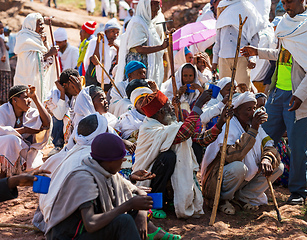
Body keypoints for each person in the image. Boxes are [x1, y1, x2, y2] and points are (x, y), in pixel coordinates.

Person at [240, 0, 307, 205]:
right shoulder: (284, 24)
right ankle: (248, 186)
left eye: (290, 1)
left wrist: (299, 95)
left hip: (299, 97)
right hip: (277, 94)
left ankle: (298, 191)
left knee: (298, 147)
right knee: (262, 138)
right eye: (283, 1)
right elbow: (281, 55)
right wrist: (258, 51)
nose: (286, 5)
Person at [45, 132, 181, 240]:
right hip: (70, 236)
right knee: (124, 220)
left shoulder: (105, 172)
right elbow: (91, 224)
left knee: (131, 209)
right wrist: (128, 206)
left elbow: (138, 192)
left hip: (87, 232)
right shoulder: (84, 179)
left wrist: (141, 216)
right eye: (120, 159)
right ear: (109, 161)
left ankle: (152, 232)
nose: (123, 162)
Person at [133, 90, 233, 218]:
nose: (172, 108)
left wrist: (220, 123)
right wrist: (199, 104)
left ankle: (174, 197)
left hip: (167, 177)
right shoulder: (149, 129)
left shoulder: (170, 126)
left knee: (195, 147)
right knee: (167, 157)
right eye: (169, 105)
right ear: (162, 112)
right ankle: (156, 204)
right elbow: (183, 134)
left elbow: (199, 139)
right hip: (148, 179)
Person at [202, 91, 283, 214]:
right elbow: (230, 156)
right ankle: (222, 200)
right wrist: (252, 131)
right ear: (236, 111)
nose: (252, 113)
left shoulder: (254, 126)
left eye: (254, 108)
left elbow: (269, 145)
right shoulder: (228, 126)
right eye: (248, 109)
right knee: (239, 168)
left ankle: (243, 198)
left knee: (277, 167)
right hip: (218, 179)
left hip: (243, 180)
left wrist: (267, 158)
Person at [211, 0, 265, 91]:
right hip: (223, 58)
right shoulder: (222, 7)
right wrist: (214, 61)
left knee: (243, 91)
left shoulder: (246, 7)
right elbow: (218, 39)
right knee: (224, 92)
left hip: (242, 56)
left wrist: (252, 58)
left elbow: (254, 36)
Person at [116, 0, 168, 88]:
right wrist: (161, 47)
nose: (155, 14)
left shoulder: (148, 24)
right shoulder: (138, 23)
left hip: (144, 64)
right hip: (137, 66)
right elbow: (139, 48)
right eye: (153, 11)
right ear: (145, 8)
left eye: (156, 11)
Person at [0, 85, 51, 176]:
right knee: (11, 139)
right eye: (26, 97)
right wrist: (24, 130)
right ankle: (6, 172)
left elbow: (46, 123)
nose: (29, 100)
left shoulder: (30, 112)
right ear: (14, 100)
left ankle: (16, 171)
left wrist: (35, 98)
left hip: (25, 151)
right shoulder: (2, 110)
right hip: (3, 149)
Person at [14, 13, 58, 102]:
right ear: (32, 25)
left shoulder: (38, 40)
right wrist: (49, 53)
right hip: (27, 81)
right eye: (40, 24)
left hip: (39, 82)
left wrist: (45, 43)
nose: (42, 27)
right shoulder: (25, 40)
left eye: (42, 24)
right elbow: (31, 63)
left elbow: (46, 64)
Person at [44, 69, 82, 155]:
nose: (76, 88)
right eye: (73, 85)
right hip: (59, 119)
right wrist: (62, 93)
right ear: (65, 85)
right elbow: (59, 116)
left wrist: (80, 91)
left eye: (78, 84)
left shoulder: (79, 93)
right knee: (59, 117)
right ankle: (58, 145)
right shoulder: (54, 95)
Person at [84, 18, 120, 91]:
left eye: (117, 32)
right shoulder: (95, 41)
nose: (115, 34)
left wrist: (118, 48)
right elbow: (95, 61)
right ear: (106, 32)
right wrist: (98, 42)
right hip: (93, 79)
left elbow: (118, 65)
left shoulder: (117, 45)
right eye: (112, 31)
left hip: (108, 82)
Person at [0, 22, 11, 104]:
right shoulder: (1, 39)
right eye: (0, 28)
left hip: (3, 67)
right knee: (4, 90)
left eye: (2, 28)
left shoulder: (2, 39)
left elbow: (5, 47)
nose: (2, 30)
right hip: (3, 67)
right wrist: (3, 55)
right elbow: (4, 49)